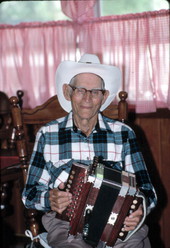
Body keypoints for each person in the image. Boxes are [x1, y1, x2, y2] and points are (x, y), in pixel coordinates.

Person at [22, 54, 157, 248]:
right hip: (65, 224)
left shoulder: (123, 134)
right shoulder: (47, 134)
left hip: (119, 222)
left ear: (103, 96)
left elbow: (148, 190)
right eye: (80, 90)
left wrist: (140, 210)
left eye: (95, 92)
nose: (87, 98)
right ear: (68, 92)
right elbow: (29, 194)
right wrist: (50, 199)